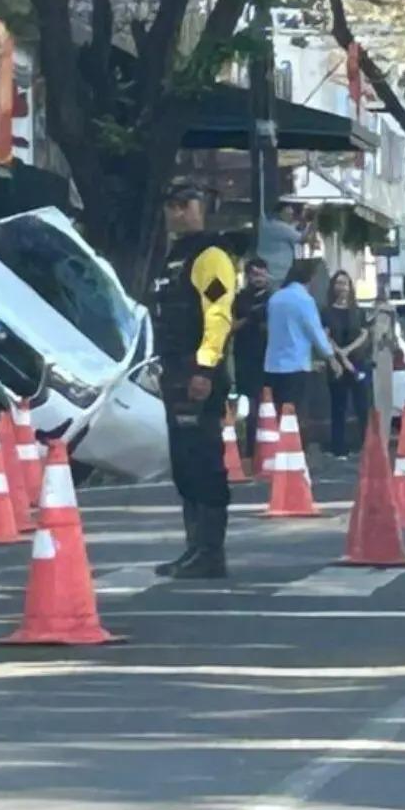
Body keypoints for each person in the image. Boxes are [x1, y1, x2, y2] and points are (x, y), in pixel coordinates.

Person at [151, 187, 236, 580]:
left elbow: (218, 314)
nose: (178, 212)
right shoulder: (174, 258)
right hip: (174, 371)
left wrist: (204, 369)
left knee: (204, 461)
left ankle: (210, 552)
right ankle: (194, 548)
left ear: (205, 208)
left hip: (197, 373)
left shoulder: (210, 256)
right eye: (172, 205)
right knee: (184, 463)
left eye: (187, 204)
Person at [265, 260, 343, 421]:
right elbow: (315, 331)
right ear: (310, 279)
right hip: (296, 365)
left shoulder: (275, 298)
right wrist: (331, 358)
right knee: (295, 416)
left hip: (272, 365)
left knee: (276, 414)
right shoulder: (304, 300)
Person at [322, 270, 372, 459]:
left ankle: (367, 444)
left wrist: (348, 351)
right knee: (338, 406)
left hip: (358, 362)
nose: (342, 287)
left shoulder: (357, 311)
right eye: (338, 283)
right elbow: (325, 337)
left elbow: (364, 334)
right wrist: (341, 356)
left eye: (345, 283)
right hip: (336, 364)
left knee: (362, 405)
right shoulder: (326, 311)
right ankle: (339, 447)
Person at [231, 257, 274, 457]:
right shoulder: (240, 299)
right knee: (251, 407)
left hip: (271, 358)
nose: (259, 278)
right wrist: (249, 318)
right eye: (254, 274)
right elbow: (230, 326)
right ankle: (250, 450)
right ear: (248, 276)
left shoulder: (274, 299)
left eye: (262, 273)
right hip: (246, 359)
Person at [257, 201, 318, 286]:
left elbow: (292, 228)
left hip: (270, 270)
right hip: (279, 273)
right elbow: (303, 239)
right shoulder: (279, 226)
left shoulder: (267, 222)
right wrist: (310, 222)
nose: (291, 213)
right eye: (289, 209)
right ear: (282, 210)